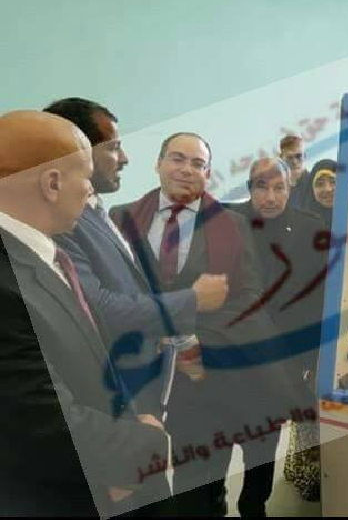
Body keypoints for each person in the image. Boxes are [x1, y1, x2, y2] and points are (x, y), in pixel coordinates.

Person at [0, 110, 168, 517]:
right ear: (52, 183)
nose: (91, 190)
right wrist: (144, 444)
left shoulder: (44, 254)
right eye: (87, 177)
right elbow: (39, 421)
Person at [47, 99, 228, 454]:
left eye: (198, 163)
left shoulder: (98, 210)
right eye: (114, 147)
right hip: (118, 394)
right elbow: (99, 308)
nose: (125, 158)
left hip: (173, 379)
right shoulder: (75, 218)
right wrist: (192, 300)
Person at [109, 133, 262, 517]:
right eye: (178, 158)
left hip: (203, 374)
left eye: (198, 164)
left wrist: (195, 339)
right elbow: (108, 294)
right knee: (140, 482)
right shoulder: (121, 218)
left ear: (208, 173)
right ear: (158, 163)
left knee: (201, 483)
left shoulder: (233, 225)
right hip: (134, 374)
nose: (187, 169)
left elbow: (248, 298)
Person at [226, 157, 328, 513]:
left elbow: (318, 300)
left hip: (281, 360)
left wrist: (310, 361)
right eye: (261, 187)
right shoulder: (227, 222)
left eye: (278, 188)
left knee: (263, 443)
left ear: (290, 188)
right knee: (219, 442)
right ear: (249, 188)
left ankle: (254, 505)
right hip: (231, 356)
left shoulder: (310, 228)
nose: (270, 197)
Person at [301, 158, 338, 229]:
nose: (328, 189)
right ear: (311, 190)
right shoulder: (302, 224)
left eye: (333, 182)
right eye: (320, 184)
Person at [280, 135, 311, 210]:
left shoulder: (315, 183)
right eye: (289, 158)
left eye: (298, 156)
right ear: (281, 158)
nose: (294, 162)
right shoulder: (275, 187)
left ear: (305, 155)